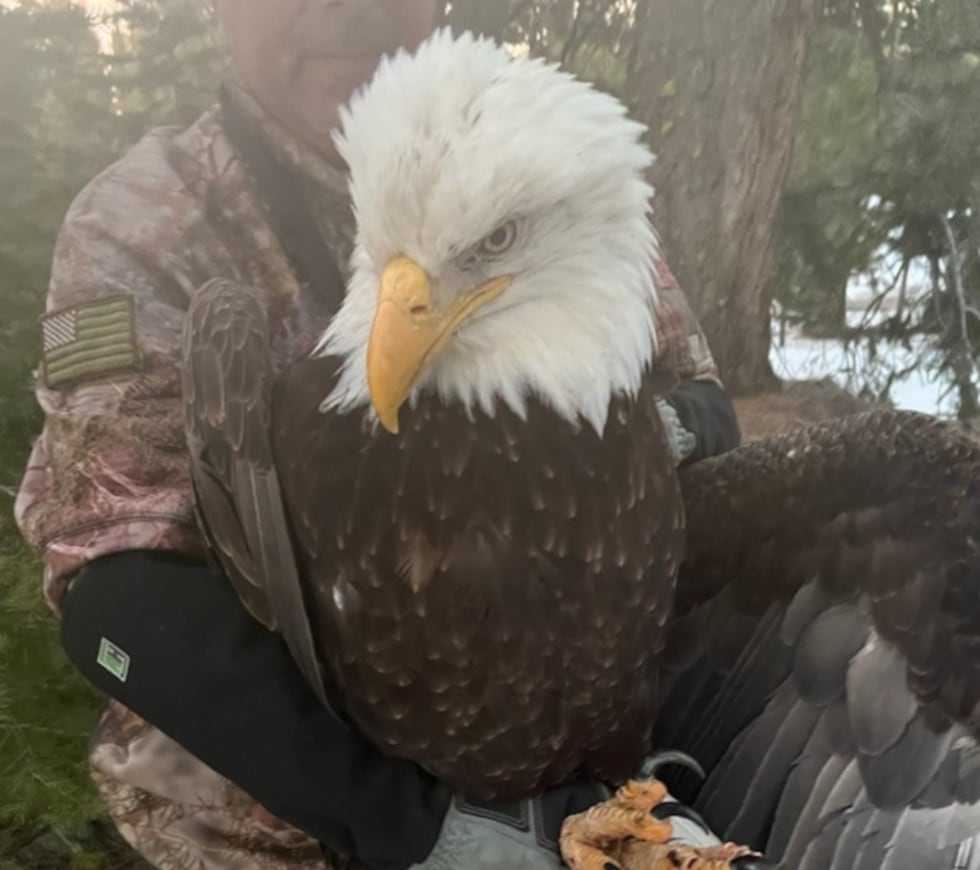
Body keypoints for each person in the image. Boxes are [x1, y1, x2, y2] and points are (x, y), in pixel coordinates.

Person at [15, 1, 741, 868]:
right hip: (277, 819)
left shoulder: (534, 158)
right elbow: (115, 595)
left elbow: (702, 404)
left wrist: (626, 442)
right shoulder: (147, 218)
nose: (342, 10)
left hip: (575, 764)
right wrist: (411, 825)